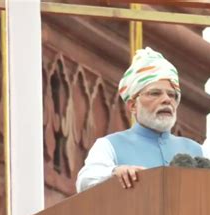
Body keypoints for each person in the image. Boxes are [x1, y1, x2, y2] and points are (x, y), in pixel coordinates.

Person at [75, 47, 203, 192]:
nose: (167, 100)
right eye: (155, 93)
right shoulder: (109, 145)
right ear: (132, 105)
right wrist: (115, 172)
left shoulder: (195, 150)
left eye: (172, 95)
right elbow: (84, 182)